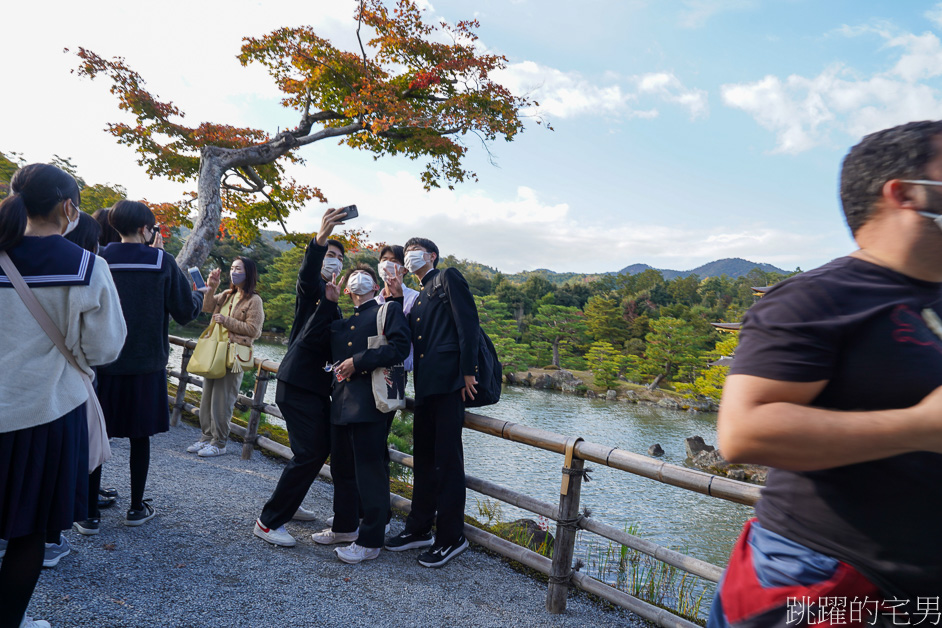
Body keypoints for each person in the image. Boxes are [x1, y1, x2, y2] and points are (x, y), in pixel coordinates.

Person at [709, 120, 942, 627]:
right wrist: (922, 426)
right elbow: (744, 431)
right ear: (904, 193)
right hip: (824, 578)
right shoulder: (818, 297)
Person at [0, 164, 126, 628]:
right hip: (48, 414)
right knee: (30, 532)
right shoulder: (87, 266)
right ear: (68, 208)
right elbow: (105, 348)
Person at [75, 200, 204, 536]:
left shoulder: (97, 259)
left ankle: (88, 513)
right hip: (146, 364)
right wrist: (201, 296)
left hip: (102, 363)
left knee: (96, 435)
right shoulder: (161, 260)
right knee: (139, 437)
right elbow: (185, 312)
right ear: (147, 229)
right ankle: (136, 507)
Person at [253, 207, 348, 546]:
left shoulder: (333, 299)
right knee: (311, 452)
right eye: (330, 255)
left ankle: (288, 506)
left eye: (339, 257)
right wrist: (320, 238)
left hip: (313, 387)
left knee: (312, 450)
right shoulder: (313, 292)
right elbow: (307, 276)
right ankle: (268, 521)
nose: (333, 260)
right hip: (298, 384)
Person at [384, 238, 480, 568]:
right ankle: (419, 527)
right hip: (425, 386)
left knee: (447, 462)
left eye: (416, 252)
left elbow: (468, 323)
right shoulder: (421, 295)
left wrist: (469, 372)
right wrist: (395, 297)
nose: (409, 258)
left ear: (432, 256)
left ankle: (452, 536)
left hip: (451, 383)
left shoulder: (447, 277)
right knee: (424, 459)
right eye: (407, 253)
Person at [307, 265, 410, 563]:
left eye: (367, 276)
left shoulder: (387, 310)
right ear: (348, 289)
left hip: (371, 404)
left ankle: (370, 540)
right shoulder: (341, 318)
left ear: (376, 286)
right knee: (341, 469)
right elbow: (313, 340)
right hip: (340, 402)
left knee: (370, 472)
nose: (360, 278)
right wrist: (328, 302)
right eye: (354, 277)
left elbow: (400, 347)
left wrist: (358, 361)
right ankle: (343, 527)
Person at [65, 213, 120, 513]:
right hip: (70, 379)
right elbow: (105, 347)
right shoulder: (91, 267)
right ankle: (54, 536)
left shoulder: (12, 259)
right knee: (67, 452)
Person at [188, 257, 264, 457]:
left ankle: (219, 443)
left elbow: (254, 330)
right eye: (231, 268)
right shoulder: (227, 295)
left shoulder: (254, 300)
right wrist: (211, 288)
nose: (233, 271)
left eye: (238, 268)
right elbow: (206, 307)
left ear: (248, 273)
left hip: (233, 355)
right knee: (207, 398)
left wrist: (226, 321)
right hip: (215, 352)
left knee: (223, 401)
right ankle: (206, 438)